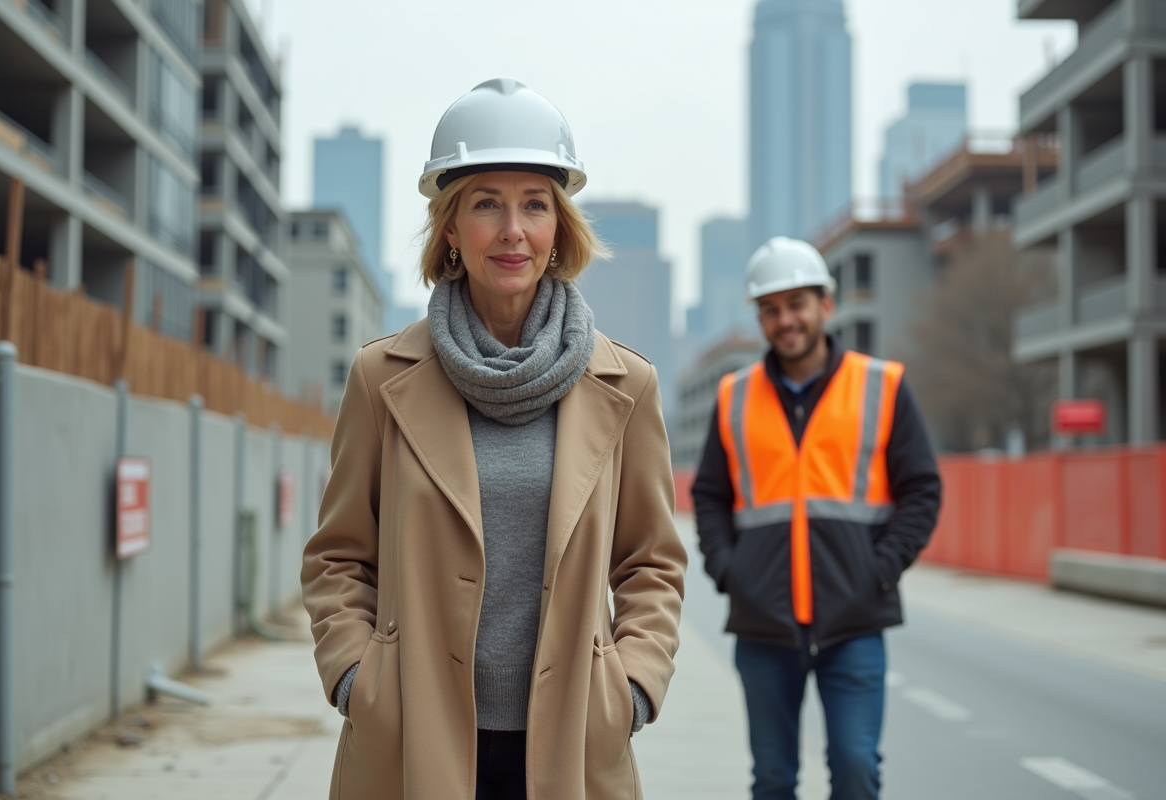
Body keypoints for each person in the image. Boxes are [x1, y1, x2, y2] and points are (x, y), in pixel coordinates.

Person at [301, 78, 686, 800]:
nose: (513, 230)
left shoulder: (626, 385)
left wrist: (630, 688)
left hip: (573, 740)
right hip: (411, 740)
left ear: (558, 228)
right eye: (486, 204)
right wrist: (359, 679)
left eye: (535, 205)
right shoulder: (381, 379)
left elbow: (652, 564)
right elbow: (339, 557)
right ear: (450, 227)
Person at [691, 237, 941, 800]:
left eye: (796, 304)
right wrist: (731, 572)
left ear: (826, 305)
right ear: (760, 318)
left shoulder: (881, 386)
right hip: (763, 624)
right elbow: (709, 494)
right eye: (771, 309)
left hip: (854, 620)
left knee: (856, 769)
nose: (786, 320)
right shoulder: (734, 396)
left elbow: (921, 489)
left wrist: (881, 569)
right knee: (773, 779)